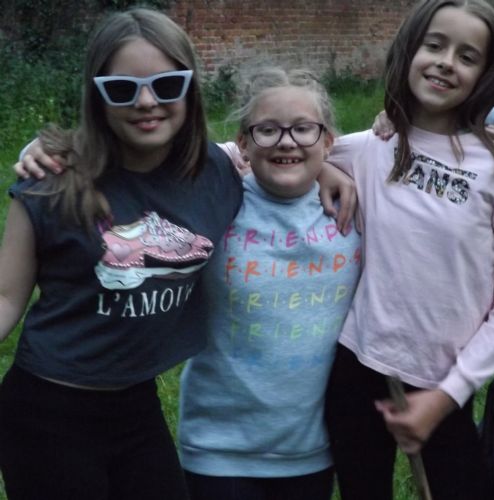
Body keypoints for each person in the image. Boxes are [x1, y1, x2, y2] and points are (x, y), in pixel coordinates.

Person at [0, 7, 244, 500]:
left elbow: (296, 149)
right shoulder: (51, 183)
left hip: (136, 403)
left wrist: (333, 171)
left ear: (190, 88)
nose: (147, 102)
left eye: (167, 85)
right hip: (48, 412)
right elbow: (5, 298)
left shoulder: (216, 169)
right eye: (122, 89)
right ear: (97, 95)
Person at [324, 0, 494, 499]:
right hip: (357, 369)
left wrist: (448, 395)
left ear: (486, 74)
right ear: (409, 50)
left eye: (468, 56)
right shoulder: (371, 146)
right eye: (435, 45)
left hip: (445, 384)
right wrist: (324, 171)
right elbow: (269, 152)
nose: (446, 62)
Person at [178, 67, 361, 500]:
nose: (286, 141)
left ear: (329, 142)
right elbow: (149, 161)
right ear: (242, 143)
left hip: (311, 449)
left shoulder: (354, 206)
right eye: (267, 129)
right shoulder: (215, 202)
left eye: (303, 129)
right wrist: (57, 152)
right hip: (217, 448)